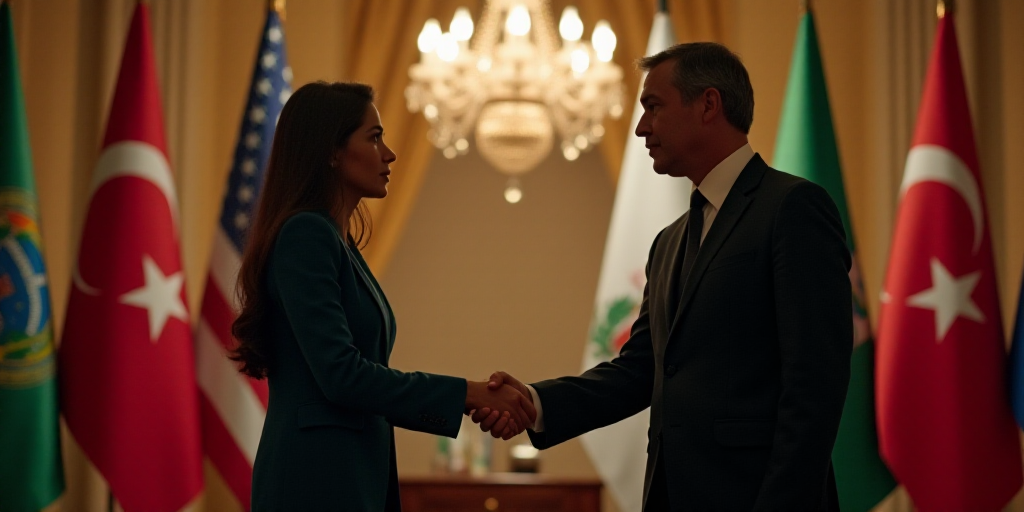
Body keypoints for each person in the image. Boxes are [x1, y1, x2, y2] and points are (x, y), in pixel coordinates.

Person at [476, 43, 852, 511]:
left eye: (653, 107)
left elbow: (815, 384)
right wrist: (535, 402)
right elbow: (641, 371)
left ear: (708, 104)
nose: (641, 127)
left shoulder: (793, 209)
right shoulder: (669, 242)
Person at [231, 81, 535, 512]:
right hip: (314, 480)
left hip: (350, 473)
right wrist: (468, 394)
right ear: (332, 151)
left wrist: (467, 397)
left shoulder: (340, 243)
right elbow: (342, 375)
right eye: (374, 138)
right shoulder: (307, 235)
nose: (389, 154)